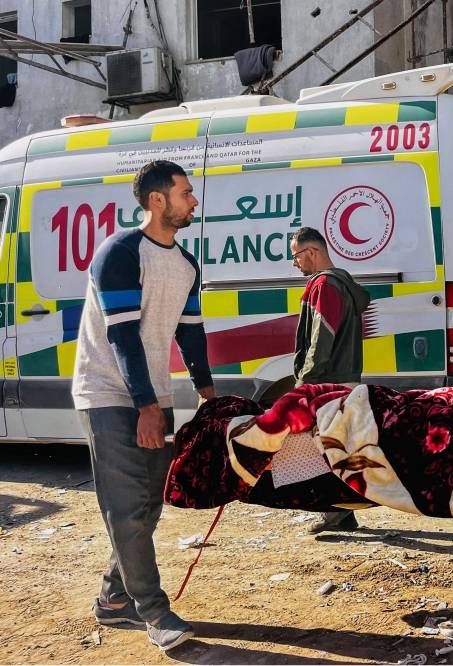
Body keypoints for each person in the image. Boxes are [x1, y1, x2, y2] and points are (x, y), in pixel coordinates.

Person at [72, 160, 215, 652]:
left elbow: (190, 333)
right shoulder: (119, 252)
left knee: (149, 507)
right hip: (108, 395)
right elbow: (122, 335)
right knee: (127, 507)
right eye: (185, 192)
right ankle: (153, 611)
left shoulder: (186, 265)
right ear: (158, 200)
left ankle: (113, 598)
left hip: (153, 395)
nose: (193, 201)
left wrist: (207, 395)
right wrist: (145, 406)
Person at [289, 226, 372, 535]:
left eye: (296, 255)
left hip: (327, 383)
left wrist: (304, 385)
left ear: (312, 253)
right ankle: (342, 514)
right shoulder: (341, 284)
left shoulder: (325, 285)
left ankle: (334, 515)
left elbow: (320, 340)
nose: (295, 263)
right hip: (343, 380)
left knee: (322, 451)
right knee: (338, 450)